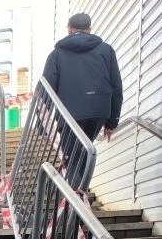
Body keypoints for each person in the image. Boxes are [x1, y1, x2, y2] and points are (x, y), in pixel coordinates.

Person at [41, 12, 123, 189]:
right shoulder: (106, 51)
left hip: (69, 114)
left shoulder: (57, 55)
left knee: (71, 156)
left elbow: (46, 90)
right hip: (99, 111)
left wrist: (42, 125)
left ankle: (76, 199)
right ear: (89, 29)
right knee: (84, 150)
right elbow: (116, 87)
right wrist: (111, 122)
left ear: (69, 29)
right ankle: (81, 193)